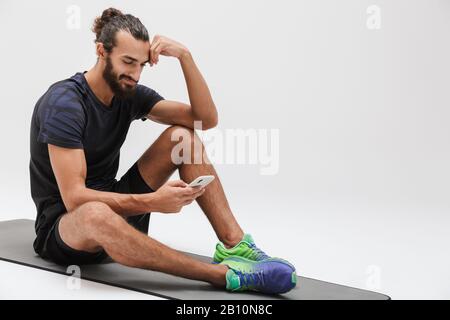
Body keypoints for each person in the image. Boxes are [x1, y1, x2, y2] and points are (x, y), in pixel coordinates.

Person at [29, 7, 297, 294]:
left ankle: (236, 245)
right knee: (95, 213)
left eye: (142, 65)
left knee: (182, 137)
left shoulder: (127, 93)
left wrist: (185, 56)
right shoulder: (65, 104)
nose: (134, 74)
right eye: (128, 62)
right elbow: (74, 199)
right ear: (101, 51)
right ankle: (223, 276)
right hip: (68, 231)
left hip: (117, 214)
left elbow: (205, 119)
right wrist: (152, 202)